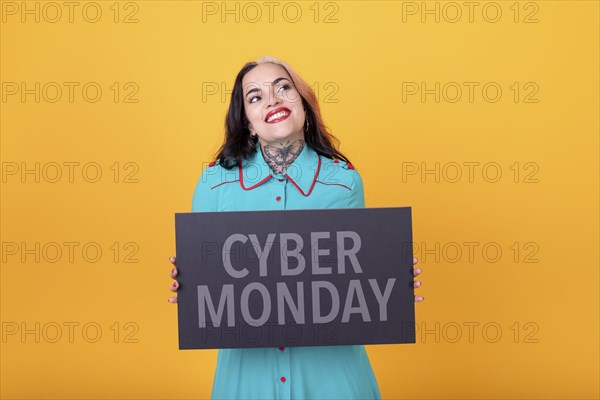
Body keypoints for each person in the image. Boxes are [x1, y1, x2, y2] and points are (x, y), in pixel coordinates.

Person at [167, 55, 424, 399]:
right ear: (248, 123)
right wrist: (190, 285)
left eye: (283, 88)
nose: (272, 99)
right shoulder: (214, 183)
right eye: (255, 97)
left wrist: (389, 280)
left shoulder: (343, 181)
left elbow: (356, 278)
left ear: (303, 104)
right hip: (247, 382)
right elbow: (207, 282)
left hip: (334, 381)